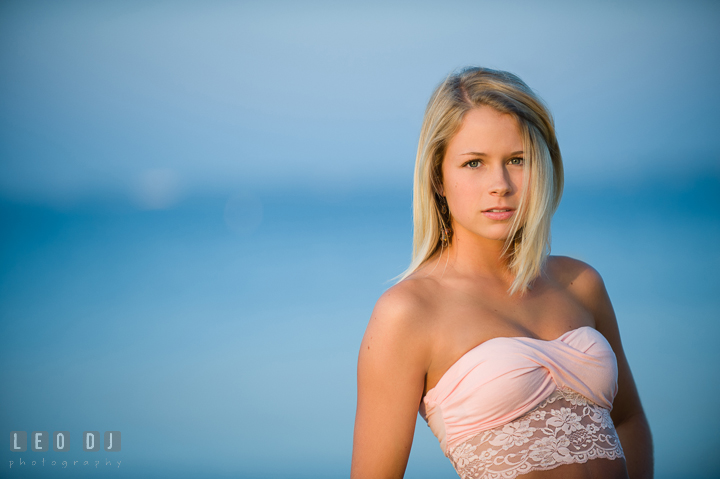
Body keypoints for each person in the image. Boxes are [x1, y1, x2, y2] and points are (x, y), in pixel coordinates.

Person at [350, 67, 653, 479]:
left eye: (517, 160)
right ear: (438, 177)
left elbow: (629, 420)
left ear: (544, 165)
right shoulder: (408, 311)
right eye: (474, 163)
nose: (500, 184)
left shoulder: (580, 284)